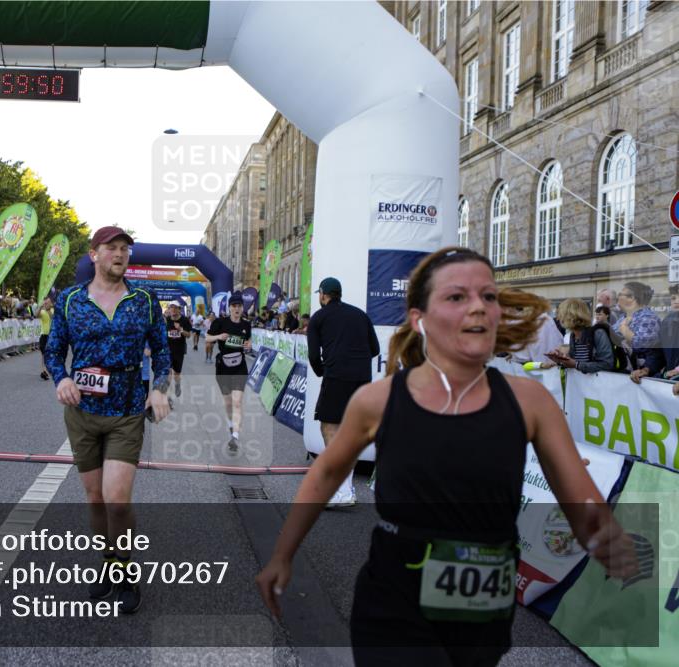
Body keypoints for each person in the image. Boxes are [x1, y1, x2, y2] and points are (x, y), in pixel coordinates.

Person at [256, 247, 637, 665]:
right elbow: (325, 474)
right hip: (396, 596)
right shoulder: (379, 400)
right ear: (420, 318)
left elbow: (581, 503)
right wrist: (282, 554)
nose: (478, 307)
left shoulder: (530, 402)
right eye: (457, 297)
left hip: (483, 604)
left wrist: (610, 541)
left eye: (488, 297)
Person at [44, 226, 171, 614]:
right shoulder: (69, 300)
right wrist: (62, 377)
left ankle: (126, 572)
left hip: (127, 411)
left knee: (117, 499)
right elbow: (53, 351)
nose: (120, 254)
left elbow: (162, 353)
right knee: (95, 498)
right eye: (111, 248)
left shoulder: (145, 300)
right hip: (82, 414)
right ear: (94, 254)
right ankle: (110, 564)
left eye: (124, 249)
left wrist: (160, 387)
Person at [307, 277, 380, 507]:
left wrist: (322, 371)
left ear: (323, 295)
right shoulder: (360, 314)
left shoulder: (318, 317)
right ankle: (345, 488)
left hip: (337, 377)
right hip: (362, 378)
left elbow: (312, 355)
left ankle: (342, 490)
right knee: (349, 431)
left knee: (329, 427)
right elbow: (375, 349)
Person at [206, 292, 253, 453]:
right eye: (234, 306)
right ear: (230, 308)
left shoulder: (246, 325)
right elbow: (207, 338)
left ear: (242, 308)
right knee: (228, 402)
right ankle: (231, 424)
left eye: (239, 306)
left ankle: (235, 437)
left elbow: (249, 343)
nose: (237, 309)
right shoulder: (220, 322)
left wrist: (248, 346)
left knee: (237, 401)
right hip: (223, 366)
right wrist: (219, 335)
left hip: (240, 365)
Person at [544, 298, 615, 373]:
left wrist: (576, 364)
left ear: (571, 316)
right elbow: (575, 363)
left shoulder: (598, 333)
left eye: (561, 315)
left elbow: (607, 364)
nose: (558, 318)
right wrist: (560, 359)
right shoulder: (573, 335)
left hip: (598, 384)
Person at [615, 281, 664, 384]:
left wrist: (624, 328)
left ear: (632, 297)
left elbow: (641, 344)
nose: (617, 297)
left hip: (640, 379)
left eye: (620, 294)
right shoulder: (624, 317)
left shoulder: (648, 318)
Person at [165, 301, 192, 397]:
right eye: (171, 307)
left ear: (179, 309)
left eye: (175, 308)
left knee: (177, 373)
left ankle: (177, 385)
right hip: (168, 350)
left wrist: (180, 329)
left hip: (179, 350)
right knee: (168, 372)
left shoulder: (184, 320)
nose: (173, 309)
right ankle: (167, 395)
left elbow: (189, 335)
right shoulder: (167, 320)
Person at [38, 297, 53, 380]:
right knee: (43, 354)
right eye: (46, 303)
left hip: (51, 336)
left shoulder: (52, 311)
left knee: (49, 354)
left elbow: (53, 318)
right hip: (44, 335)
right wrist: (40, 307)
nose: (47, 304)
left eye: (48, 303)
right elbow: (36, 315)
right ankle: (44, 371)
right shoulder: (42, 312)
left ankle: (47, 370)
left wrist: (48, 310)